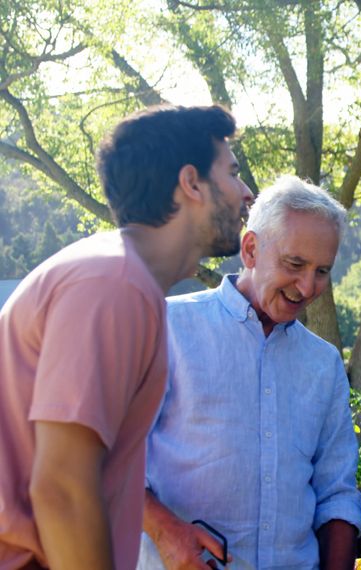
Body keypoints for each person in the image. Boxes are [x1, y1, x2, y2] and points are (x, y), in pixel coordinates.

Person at [0, 105, 253, 570]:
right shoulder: (114, 283)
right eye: (233, 173)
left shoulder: (126, 282)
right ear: (191, 182)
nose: (246, 192)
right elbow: (61, 486)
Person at [138, 176, 361, 569]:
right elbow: (108, 462)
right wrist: (165, 533)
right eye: (294, 264)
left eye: (322, 271)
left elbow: (337, 496)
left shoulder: (323, 364)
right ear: (251, 249)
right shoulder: (165, 328)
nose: (308, 286)